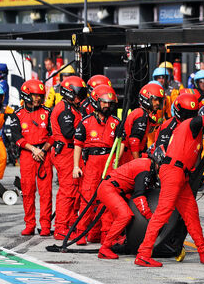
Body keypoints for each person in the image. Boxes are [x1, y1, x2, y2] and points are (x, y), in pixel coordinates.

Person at [135, 103, 204, 267]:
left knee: (191, 212)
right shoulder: (190, 124)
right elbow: (198, 122)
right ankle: (143, 253)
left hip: (179, 173)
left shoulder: (194, 130)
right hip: (173, 171)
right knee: (163, 213)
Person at [73, 84, 120, 245]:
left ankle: (104, 233)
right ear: (96, 102)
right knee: (87, 197)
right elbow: (78, 145)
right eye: (104, 102)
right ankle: (81, 232)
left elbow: (122, 144)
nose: (107, 105)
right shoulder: (85, 122)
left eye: (109, 103)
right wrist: (75, 166)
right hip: (92, 162)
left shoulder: (116, 122)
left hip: (109, 161)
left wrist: (116, 160)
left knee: (107, 199)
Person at [8, 79, 53, 236]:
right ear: (27, 95)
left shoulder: (48, 112)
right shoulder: (17, 114)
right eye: (34, 96)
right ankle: (30, 224)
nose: (37, 99)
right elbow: (16, 137)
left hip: (44, 156)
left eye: (40, 96)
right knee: (27, 191)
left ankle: (46, 225)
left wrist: (43, 149)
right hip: (27, 155)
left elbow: (53, 135)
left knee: (46, 192)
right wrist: (33, 149)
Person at [97, 156, 158, 260]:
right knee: (125, 215)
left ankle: (120, 241)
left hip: (116, 189)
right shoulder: (145, 168)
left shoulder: (147, 165)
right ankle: (104, 248)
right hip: (109, 188)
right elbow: (139, 196)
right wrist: (150, 218)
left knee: (129, 213)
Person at [49, 76, 87, 240]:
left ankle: (71, 223)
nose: (80, 98)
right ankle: (60, 227)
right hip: (66, 152)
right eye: (78, 94)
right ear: (69, 93)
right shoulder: (64, 109)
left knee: (76, 190)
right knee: (67, 191)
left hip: (72, 152)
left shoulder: (73, 107)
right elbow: (69, 133)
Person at [120, 82, 163, 164]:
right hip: (131, 157)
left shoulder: (140, 113)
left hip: (130, 155)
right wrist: (138, 163)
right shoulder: (141, 115)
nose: (158, 103)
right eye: (155, 99)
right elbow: (134, 141)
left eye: (159, 100)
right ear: (147, 98)